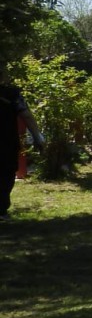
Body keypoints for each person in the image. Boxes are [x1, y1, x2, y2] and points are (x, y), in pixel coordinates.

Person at [1, 75, 45, 221]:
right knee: (6, 174)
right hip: (5, 142)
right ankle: (1, 210)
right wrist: (38, 137)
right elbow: (26, 115)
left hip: (7, 142)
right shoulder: (12, 94)